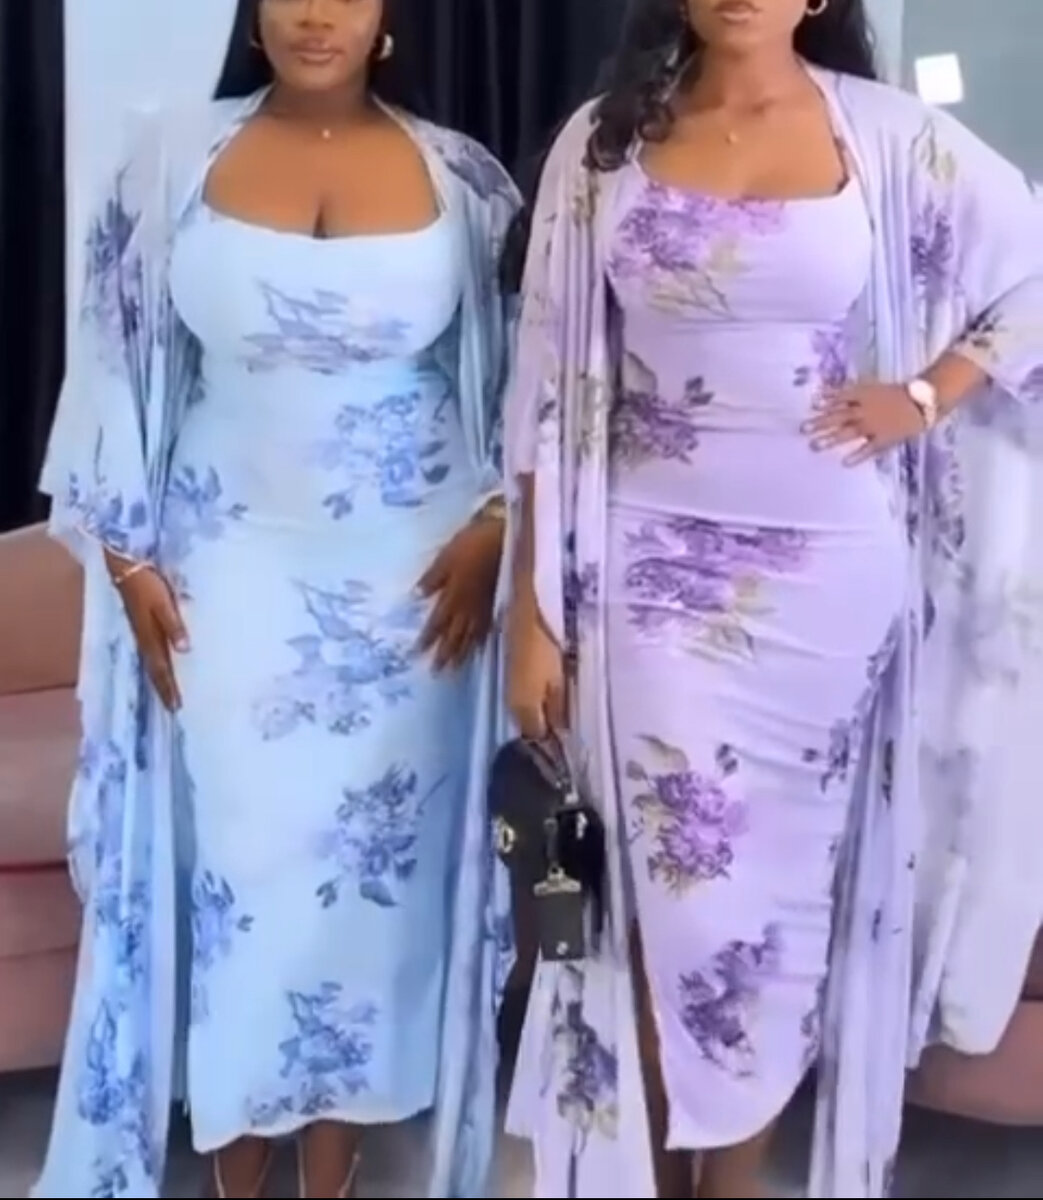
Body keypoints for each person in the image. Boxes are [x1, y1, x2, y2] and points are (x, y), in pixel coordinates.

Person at [503, 0, 1043, 1196]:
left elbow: (1031, 272)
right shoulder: (603, 140)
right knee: (676, 906)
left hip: (831, 587)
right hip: (646, 575)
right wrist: (531, 610)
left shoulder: (891, 138)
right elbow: (544, 381)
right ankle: (655, 1172)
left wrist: (924, 392)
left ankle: (733, 1176)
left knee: (780, 918)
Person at [34, 1, 519, 1196]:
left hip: (413, 591)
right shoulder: (167, 164)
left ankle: (332, 1178)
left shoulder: (465, 181)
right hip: (226, 572)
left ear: (387, 16)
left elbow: (528, 380)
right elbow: (109, 356)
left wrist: (496, 524)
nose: (314, 13)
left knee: (370, 898)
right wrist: (129, 561)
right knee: (240, 878)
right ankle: (234, 1177)